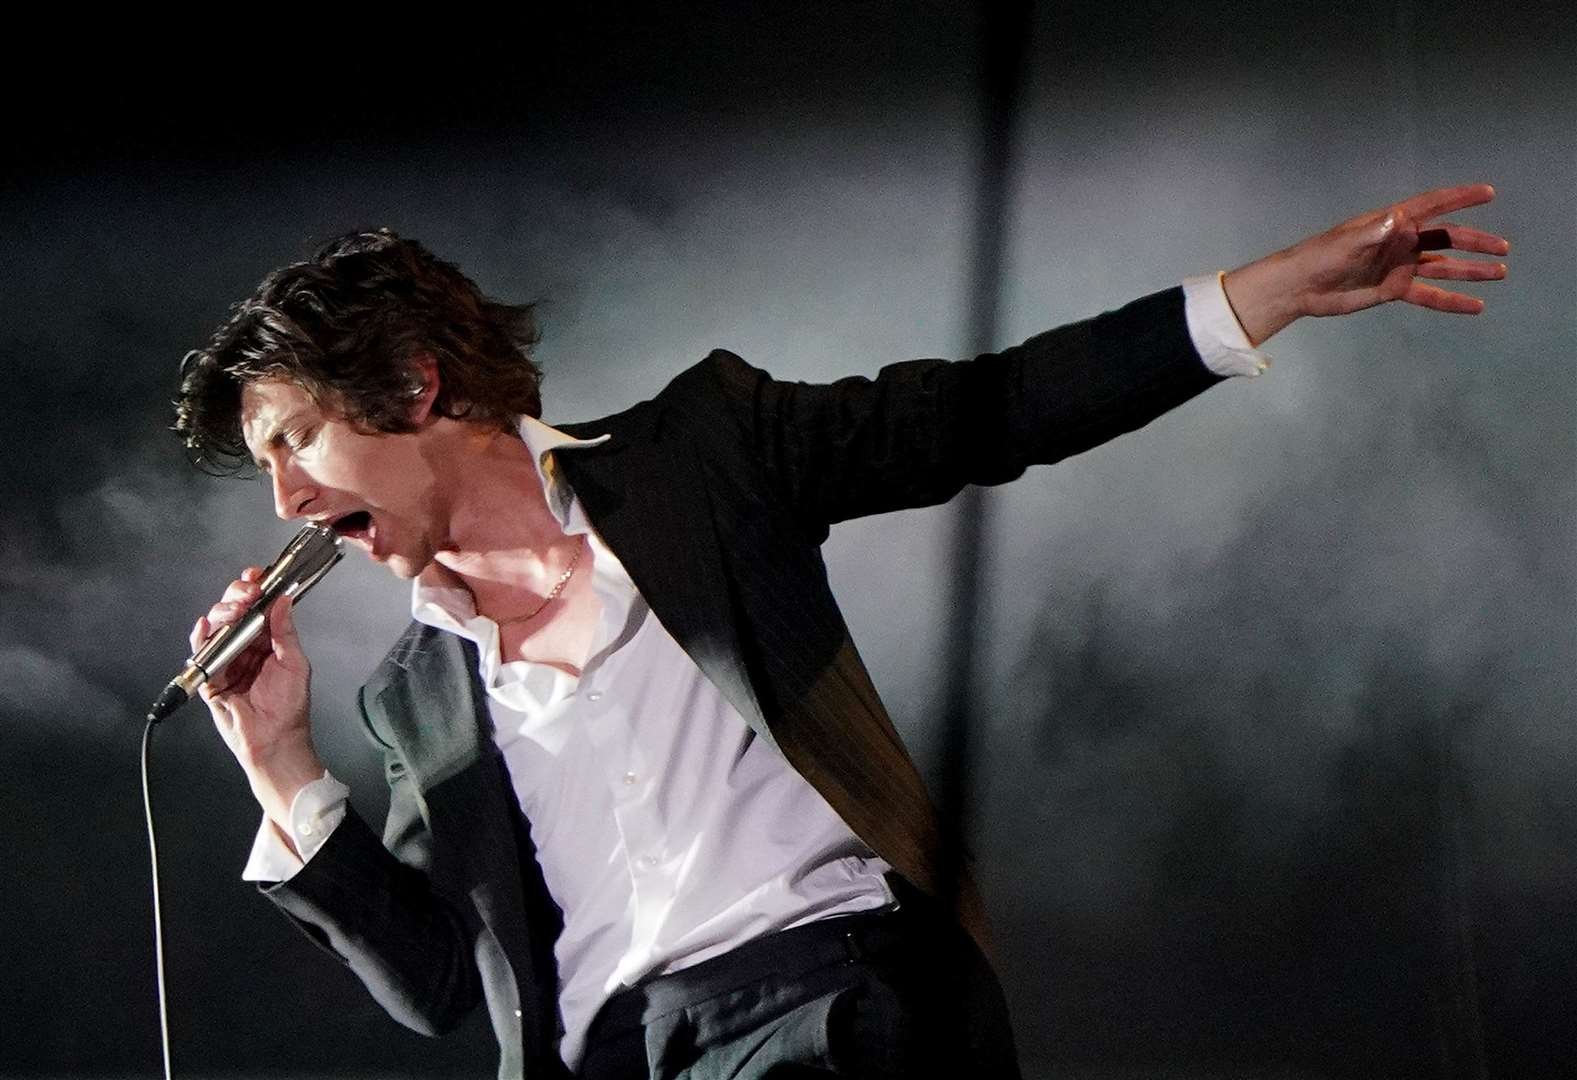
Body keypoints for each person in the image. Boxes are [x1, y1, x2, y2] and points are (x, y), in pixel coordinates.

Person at [174, 185, 1507, 1079]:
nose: (286, 497)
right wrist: (280, 763)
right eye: (267, 468)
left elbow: (983, 411)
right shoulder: (415, 695)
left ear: (413, 385)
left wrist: (1255, 296)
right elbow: (439, 987)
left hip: (821, 1006)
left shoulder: (703, 453)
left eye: (298, 439)